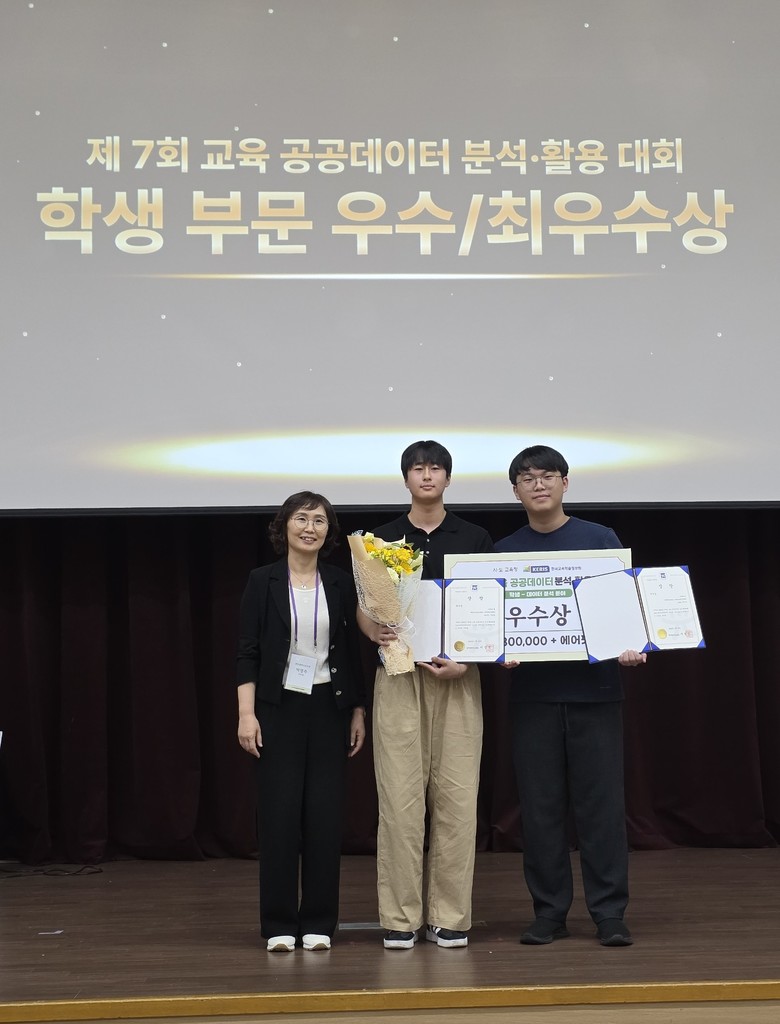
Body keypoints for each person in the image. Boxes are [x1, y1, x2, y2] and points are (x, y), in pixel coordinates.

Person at [495, 445, 645, 948]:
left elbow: (625, 611)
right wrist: (497, 650)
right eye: (527, 478)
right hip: (533, 698)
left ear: (565, 483)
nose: (538, 485)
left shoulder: (600, 540)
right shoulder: (503, 551)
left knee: (602, 809)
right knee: (540, 811)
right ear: (515, 490)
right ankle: (549, 913)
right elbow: (491, 625)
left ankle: (609, 913)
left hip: (596, 695)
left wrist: (631, 644)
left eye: (548, 476)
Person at [358, 440, 493, 950]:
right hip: (397, 675)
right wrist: (375, 632)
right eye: (418, 468)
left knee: (457, 798)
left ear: (448, 478)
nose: (428, 476)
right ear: (407, 479)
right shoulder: (381, 540)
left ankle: (450, 916)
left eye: (436, 468)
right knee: (399, 800)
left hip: (457, 677)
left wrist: (469, 661)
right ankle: (400, 917)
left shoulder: (475, 538)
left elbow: (488, 608)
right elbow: (365, 611)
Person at [236, 491, 366, 953]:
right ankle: (277, 923)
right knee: (278, 816)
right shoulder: (262, 580)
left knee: (325, 817)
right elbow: (247, 651)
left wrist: (357, 709)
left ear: (329, 533)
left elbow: (351, 652)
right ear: (284, 526)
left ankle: (318, 922)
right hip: (278, 708)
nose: (310, 528)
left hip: (329, 707)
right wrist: (246, 714)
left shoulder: (341, 582)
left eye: (320, 521)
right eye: (302, 518)